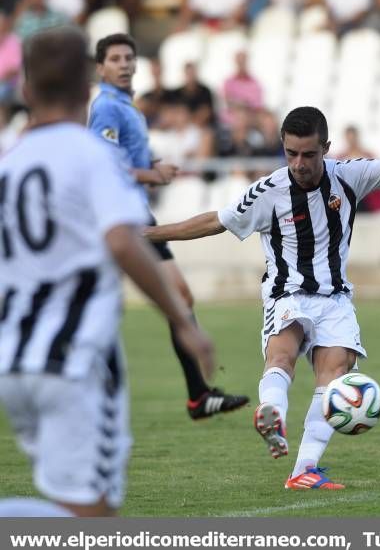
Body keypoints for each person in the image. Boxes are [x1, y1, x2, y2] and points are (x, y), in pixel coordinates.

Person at [144, 83, 380, 489]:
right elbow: (215, 221)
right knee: (282, 353)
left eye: (309, 154)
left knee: (334, 376)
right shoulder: (269, 191)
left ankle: (302, 471)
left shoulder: (349, 176)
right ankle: (272, 412)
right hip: (287, 293)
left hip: (335, 298)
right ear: (283, 148)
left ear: (326, 147)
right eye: (291, 153)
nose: (299, 163)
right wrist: (151, 235)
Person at [0, 27, 214, 517]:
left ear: (27, 91)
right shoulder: (92, 155)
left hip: (13, 361)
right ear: (85, 87)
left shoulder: (8, 164)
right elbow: (122, 239)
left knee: (71, 503)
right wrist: (182, 321)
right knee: (94, 518)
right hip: (74, 363)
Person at [88, 33, 247, 419]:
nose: (125, 63)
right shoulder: (107, 108)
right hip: (119, 215)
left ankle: (198, 397)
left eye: (129, 56)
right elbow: (101, 163)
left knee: (178, 297)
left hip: (136, 212)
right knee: (102, 308)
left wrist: (150, 166)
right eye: (115, 58)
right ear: (101, 67)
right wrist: (151, 174)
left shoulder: (129, 107)